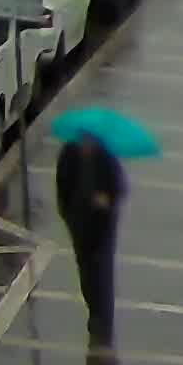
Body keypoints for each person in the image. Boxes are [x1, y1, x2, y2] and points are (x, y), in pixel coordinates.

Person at [55, 128, 128, 344]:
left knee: (102, 270)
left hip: (103, 224)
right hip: (79, 222)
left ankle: (103, 319)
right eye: (83, 141)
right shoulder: (69, 154)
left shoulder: (106, 158)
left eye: (90, 141)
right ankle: (94, 310)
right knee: (86, 271)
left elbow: (119, 188)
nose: (87, 145)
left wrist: (107, 200)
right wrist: (67, 213)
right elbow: (62, 186)